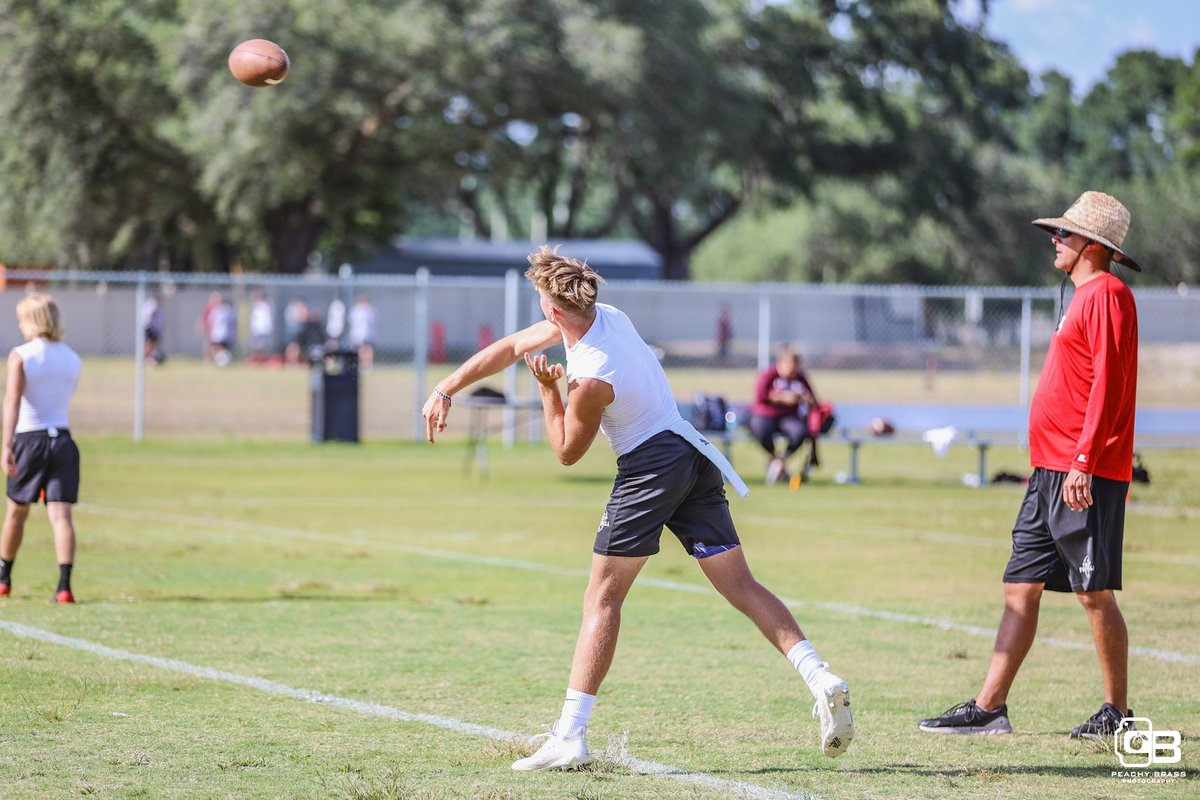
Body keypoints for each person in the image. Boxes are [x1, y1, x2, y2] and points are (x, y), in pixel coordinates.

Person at [422, 245, 854, 771]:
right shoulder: (608, 317)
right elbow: (513, 345)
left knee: (602, 597)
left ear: (554, 312)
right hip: (692, 452)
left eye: (539, 301)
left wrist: (548, 391)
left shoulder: (588, 377)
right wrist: (447, 387)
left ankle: (570, 735)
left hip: (653, 466)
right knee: (741, 585)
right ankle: (820, 676)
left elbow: (565, 451)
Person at [918, 191, 1141, 740]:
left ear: (1093, 245)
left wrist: (1084, 461)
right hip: (1049, 470)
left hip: (1080, 470)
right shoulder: (1081, 296)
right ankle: (990, 707)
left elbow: (1108, 387)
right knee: (1020, 586)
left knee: (1093, 592)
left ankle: (1118, 712)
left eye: (1063, 234)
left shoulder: (1108, 294)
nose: (1054, 240)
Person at [0, 294, 83, 603]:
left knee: (16, 513)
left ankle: (4, 578)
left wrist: (6, 445)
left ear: (32, 321)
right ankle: (64, 587)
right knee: (61, 516)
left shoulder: (21, 354)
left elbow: (12, 401)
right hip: (62, 440)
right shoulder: (73, 358)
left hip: (29, 440)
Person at [747, 346, 818, 485]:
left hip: (789, 416)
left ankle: (780, 461)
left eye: (796, 367)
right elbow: (760, 397)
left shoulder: (800, 378)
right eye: (791, 366)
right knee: (760, 428)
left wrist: (805, 398)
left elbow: (814, 400)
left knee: (800, 431)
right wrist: (781, 398)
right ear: (781, 364)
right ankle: (775, 459)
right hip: (766, 414)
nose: (793, 371)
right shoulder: (768, 375)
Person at [347, 294, 376, 369]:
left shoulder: (369, 310)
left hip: (367, 333)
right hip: (358, 333)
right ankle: (361, 363)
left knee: (368, 348)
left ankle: (368, 363)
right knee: (360, 349)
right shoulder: (356, 310)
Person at [248, 289, 274, 364]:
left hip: (263, 330)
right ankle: (256, 361)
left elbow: (266, 320)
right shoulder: (255, 306)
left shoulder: (266, 306)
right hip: (257, 331)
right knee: (256, 347)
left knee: (262, 347)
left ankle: (263, 361)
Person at [143, 291, 166, 365]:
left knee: (154, 345)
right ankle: (145, 358)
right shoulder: (153, 306)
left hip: (155, 329)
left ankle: (150, 358)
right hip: (151, 328)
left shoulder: (159, 308)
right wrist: (150, 325)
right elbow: (150, 315)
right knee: (149, 344)